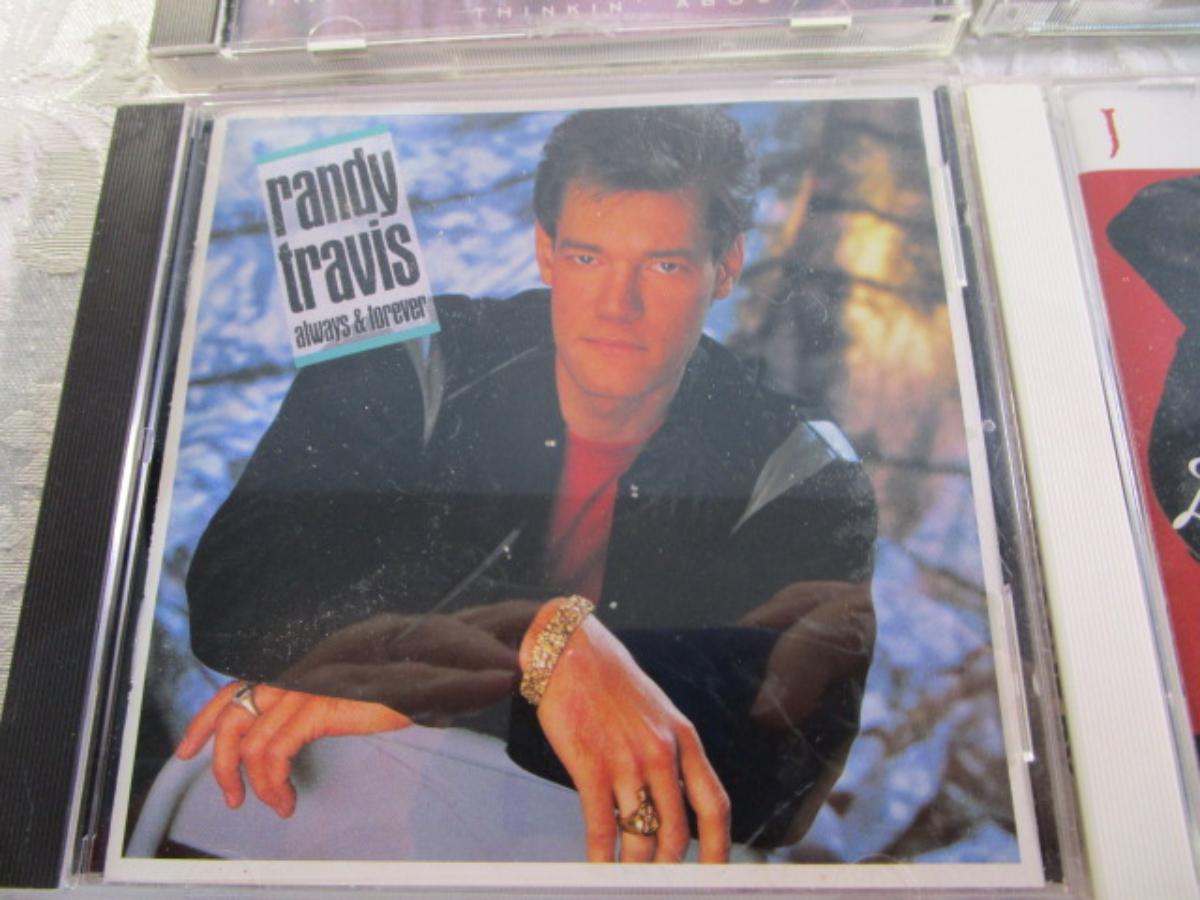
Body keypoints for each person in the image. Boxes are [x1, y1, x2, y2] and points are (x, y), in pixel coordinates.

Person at [176, 105, 877, 864]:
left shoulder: (802, 469)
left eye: (664, 265)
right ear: (546, 252)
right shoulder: (415, 360)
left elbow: (783, 776)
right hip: (352, 815)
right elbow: (240, 593)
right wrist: (541, 644)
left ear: (727, 268)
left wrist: (421, 681)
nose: (618, 304)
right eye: (588, 257)